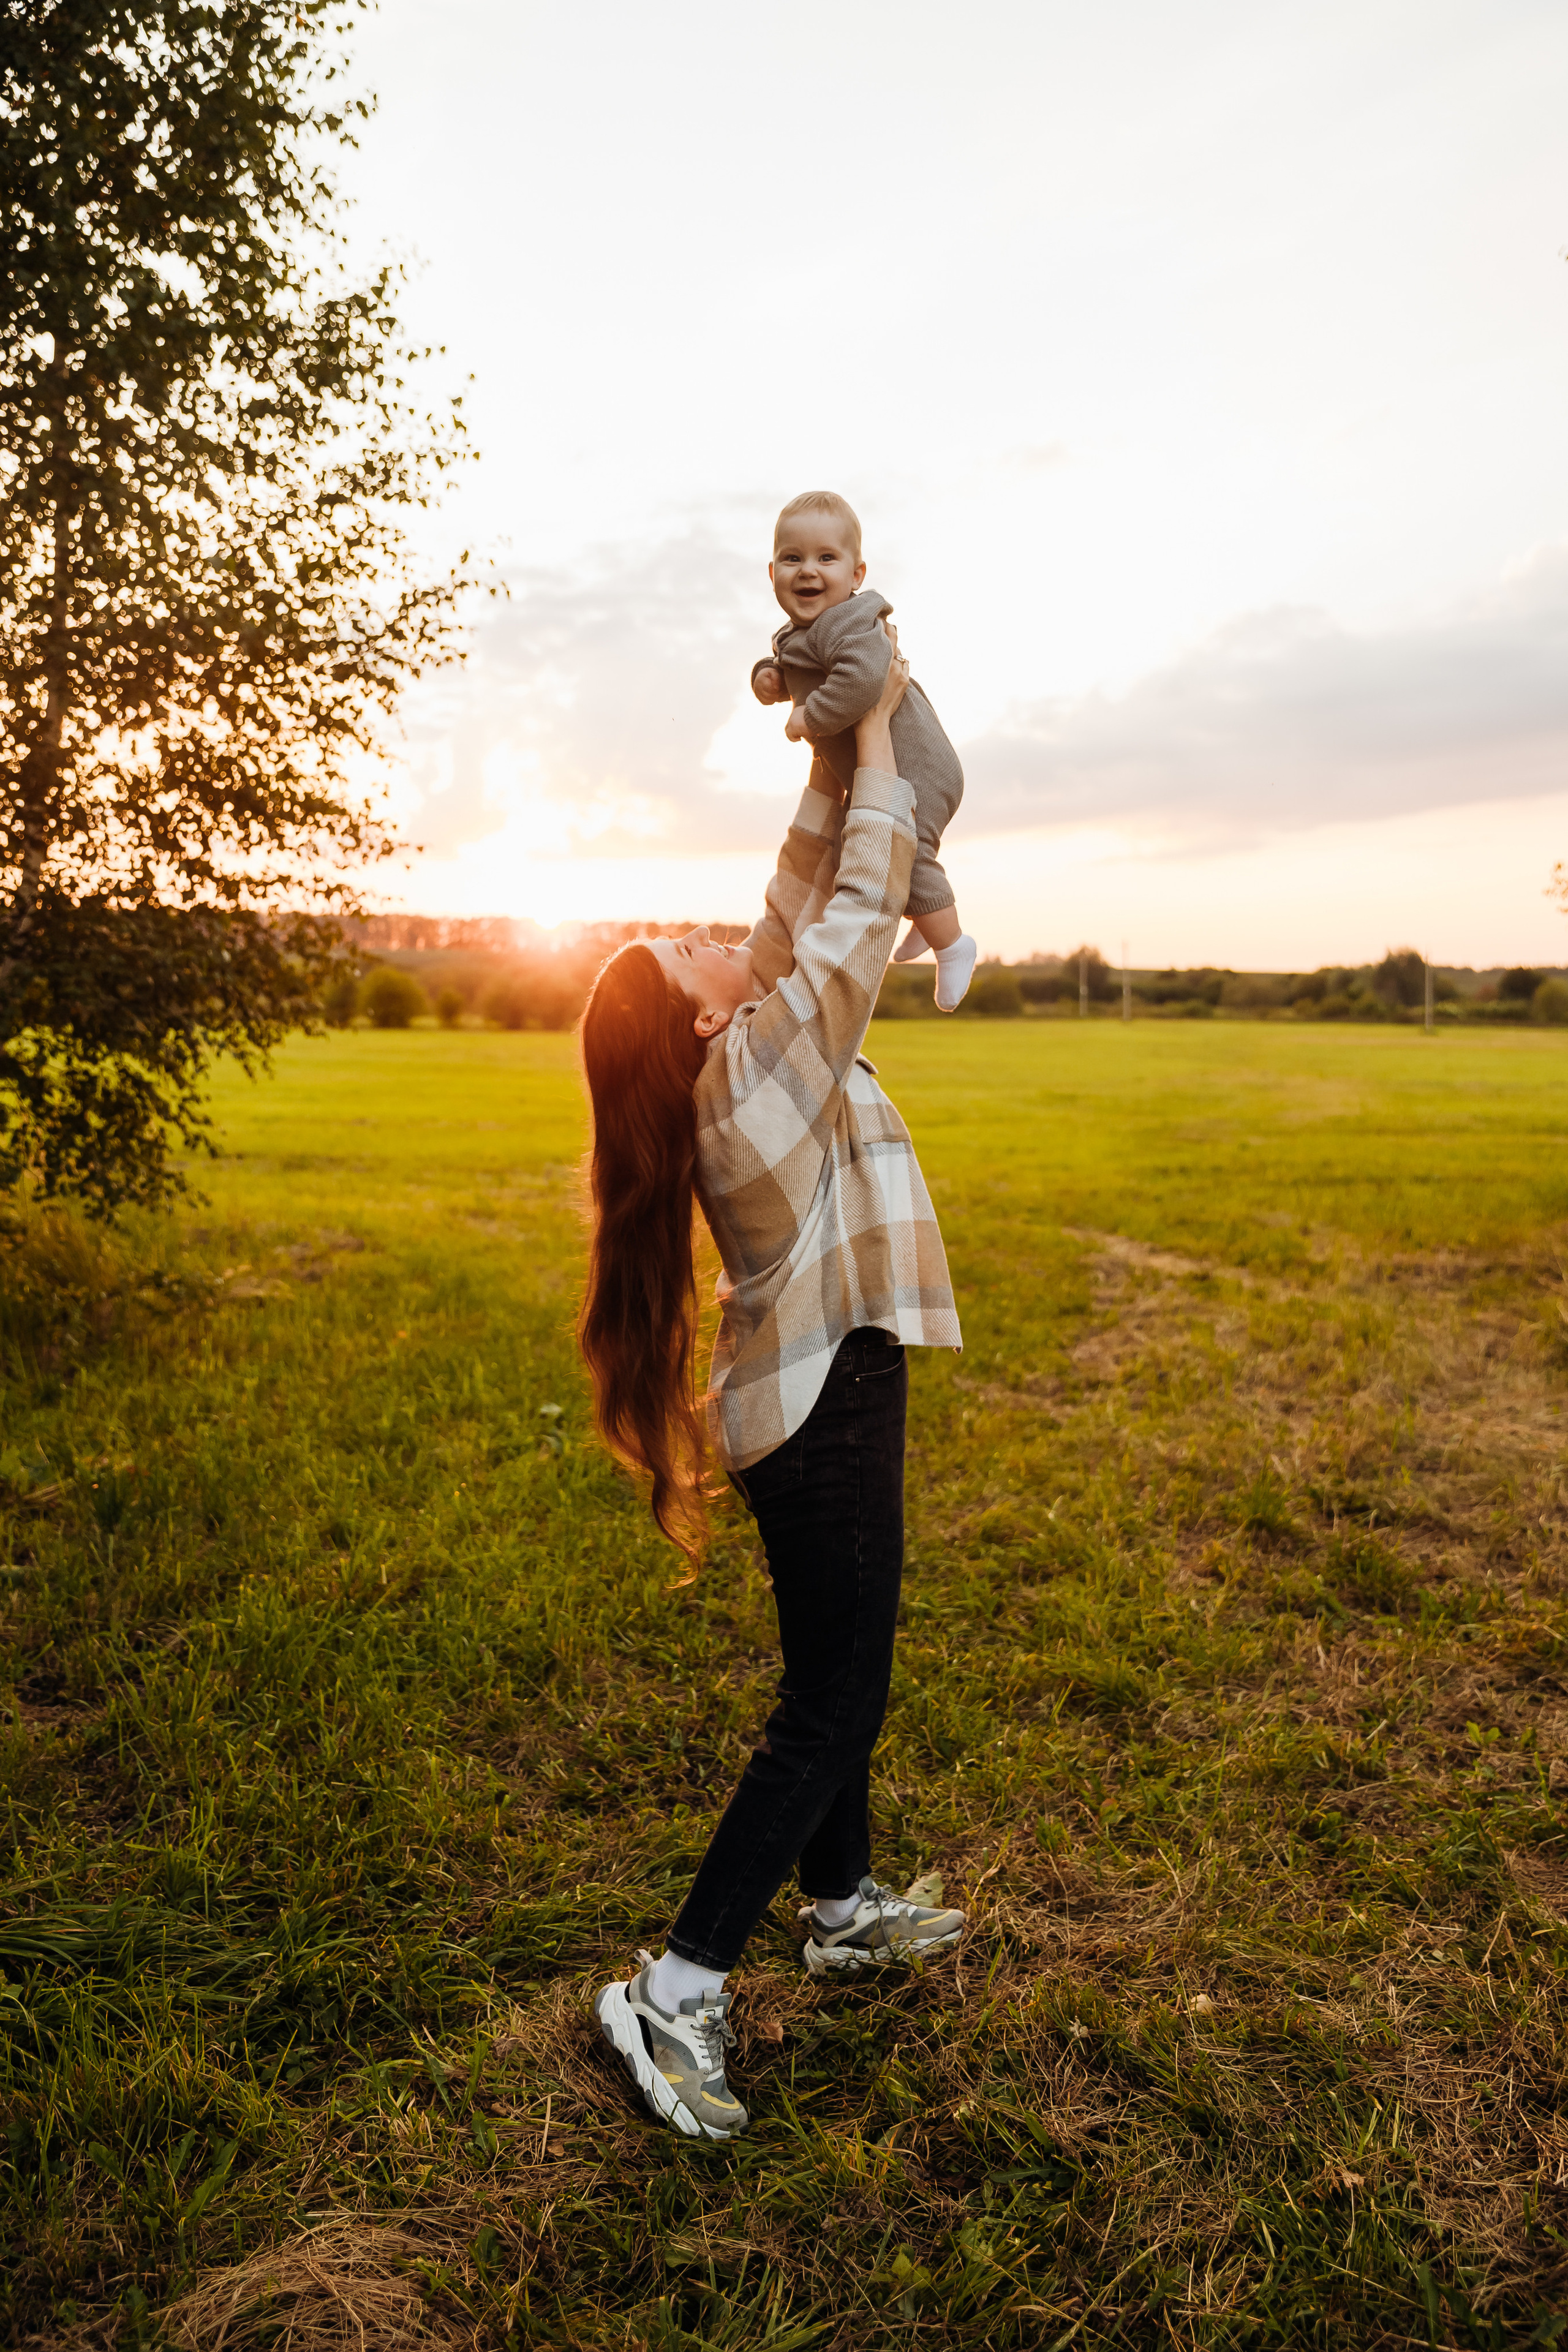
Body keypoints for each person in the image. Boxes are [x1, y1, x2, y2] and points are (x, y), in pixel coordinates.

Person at [579, 628, 966, 2142]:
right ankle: (671, 1989)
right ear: (692, 1015)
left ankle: (844, 1903)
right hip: (824, 1406)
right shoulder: (755, 1068)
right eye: (687, 946)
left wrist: (842, 722)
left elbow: (803, 888)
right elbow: (859, 905)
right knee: (834, 1693)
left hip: (817, 1393)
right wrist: (869, 748)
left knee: (835, 1669)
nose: (711, 933)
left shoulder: (735, 1040)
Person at [750, 491, 978, 1011]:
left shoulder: (849, 624)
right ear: (771, 573)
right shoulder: (804, 633)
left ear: (857, 574)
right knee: (875, 847)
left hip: (919, 767)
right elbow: (795, 669)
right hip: (891, 769)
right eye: (793, 558)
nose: (808, 570)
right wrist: (769, 679)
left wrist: (810, 716)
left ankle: (952, 944)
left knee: (904, 848)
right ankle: (924, 913)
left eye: (826, 558)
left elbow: (860, 682)